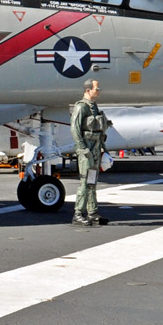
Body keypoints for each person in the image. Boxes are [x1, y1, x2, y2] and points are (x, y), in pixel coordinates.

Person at [70, 79, 109, 226]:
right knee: (85, 181)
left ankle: (93, 213)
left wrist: (103, 147)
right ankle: (78, 214)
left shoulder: (94, 107)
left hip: (95, 148)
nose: (98, 91)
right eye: (96, 89)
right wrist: (82, 148)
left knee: (92, 181)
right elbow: (75, 128)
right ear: (88, 90)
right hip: (86, 150)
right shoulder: (81, 107)